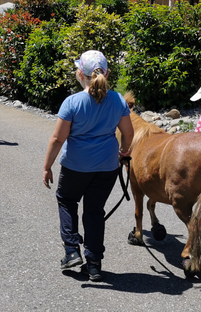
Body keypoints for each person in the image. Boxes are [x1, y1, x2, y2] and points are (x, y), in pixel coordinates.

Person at [42, 50, 134, 282]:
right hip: (106, 167)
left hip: (75, 166)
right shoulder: (118, 100)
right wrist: (123, 152)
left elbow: (57, 139)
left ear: (79, 74)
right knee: (94, 212)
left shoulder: (72, 102)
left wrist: (47, 166)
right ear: (107, 73)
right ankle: (93, 264)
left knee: (67, 200)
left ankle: (72, 250)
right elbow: (128, 133)